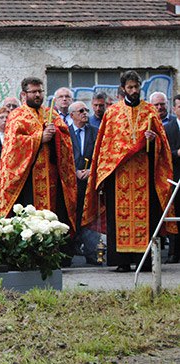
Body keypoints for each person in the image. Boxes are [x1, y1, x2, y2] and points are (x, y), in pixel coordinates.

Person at [85, 70, 176, 273]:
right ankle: (122, 261)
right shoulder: (113, 113)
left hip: (145, 175)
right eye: (130, 87)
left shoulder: (150, 112)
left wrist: (153, 142)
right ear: (123, 88)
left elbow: (163, 149)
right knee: (118, 218)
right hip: (120, 177)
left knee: (148, 217)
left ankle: (144, 260)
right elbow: (106, 146)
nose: (134, 91)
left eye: (136, 87)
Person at [0, 78, 78, 238]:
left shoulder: (51, 113)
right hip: (28, 178)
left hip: (51, 176)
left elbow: (67, 140)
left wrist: (56, 134)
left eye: (40, 91)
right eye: (34, 92)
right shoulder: (16, 116)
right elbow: (13, 145)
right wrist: (40, 137)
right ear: (24, 94)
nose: (38, 95)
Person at [68, 101, 100, 265]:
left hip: (89, 182)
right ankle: (68, 254)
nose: (85, 113)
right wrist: (74, 172)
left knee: (89, 219)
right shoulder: (65, 133)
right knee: (71, 218)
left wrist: (91, 171)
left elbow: (100, 155)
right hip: (71, 184)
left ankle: (92, 254)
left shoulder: (95, 132)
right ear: (71, 115)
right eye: (81, 111)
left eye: (86, 110)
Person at [164, 94, 180, 263]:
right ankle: (175, 253)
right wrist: (177, 153)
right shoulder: (168, 128)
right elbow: (165, 153)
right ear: (174, 109)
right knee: (174, 213)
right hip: (175, 177)